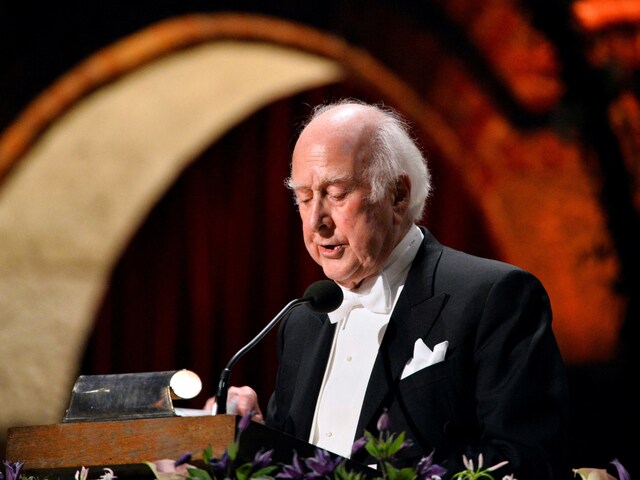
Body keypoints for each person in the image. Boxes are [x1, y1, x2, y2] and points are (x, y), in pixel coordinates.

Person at [205, 99, 569, 479]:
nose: (316, 222)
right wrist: (254, 436)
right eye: (305, 197)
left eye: (336, 193)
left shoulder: (495, 297)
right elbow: (295, 461)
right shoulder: (301, 322)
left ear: (397, 196)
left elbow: (528, 460)